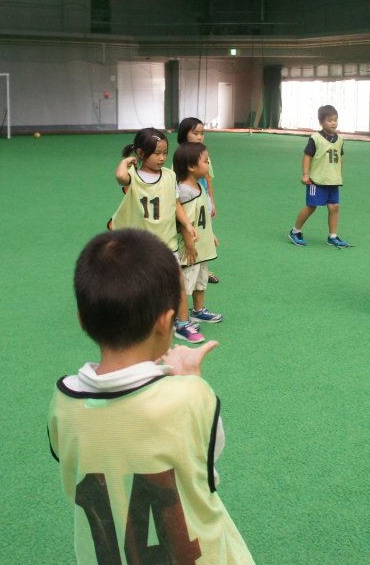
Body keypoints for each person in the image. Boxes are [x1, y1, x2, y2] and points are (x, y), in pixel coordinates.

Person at [48, 229, 254, 565]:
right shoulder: (190, 396)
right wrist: (190, 378)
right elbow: (207, 469)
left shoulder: (64, 400)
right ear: (167, 321)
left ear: (82, 320)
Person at [111, 128, 205, 344]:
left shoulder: (170, 176)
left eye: (165, 153)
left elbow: (175, 203)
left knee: (178, 283)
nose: (162, 158)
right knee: (139, 286)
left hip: (167, 242)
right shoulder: (133, 176)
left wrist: (187, 223)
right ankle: (137, 322)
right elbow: (120, 176)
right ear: (142, 153)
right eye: (157, 153)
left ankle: (181, 324)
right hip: (141, 246)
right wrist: (126, 161)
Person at [173, 141, 222, 325]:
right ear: (192, 166)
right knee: (186, 283)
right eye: (206, 161)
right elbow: (185, 223)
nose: (209, 164)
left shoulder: (199, 187)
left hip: (202, 246)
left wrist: (211, 235)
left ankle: (198, 310)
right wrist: (190, 246)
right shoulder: (184, 192)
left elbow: (202, 218)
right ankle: (181, 317)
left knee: (201, 280)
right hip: (190, 249)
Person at [288, 105, 349, 248]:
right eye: (329, 120)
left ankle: (332, 237)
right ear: (321, 122)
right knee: (311, 206)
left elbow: (340, 157)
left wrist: (340, 174)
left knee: (334, 207)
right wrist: (305, 174)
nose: (333, 123)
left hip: (333, 181)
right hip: (317, 180)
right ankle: (295, 231)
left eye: (335, 120)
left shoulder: (340, 139)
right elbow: (307, 156)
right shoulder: (315, 138)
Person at [178, 117, 220, 284]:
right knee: (190, 233)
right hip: (190, 201)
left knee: (204, 230)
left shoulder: (204, 154)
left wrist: (212, 201)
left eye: (202, 133)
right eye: (195, 133)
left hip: (203, 198)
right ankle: (189, 263)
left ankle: (203, 267)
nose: (199, 137)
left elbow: (208, 178)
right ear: (184, 135)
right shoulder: (182, 157)